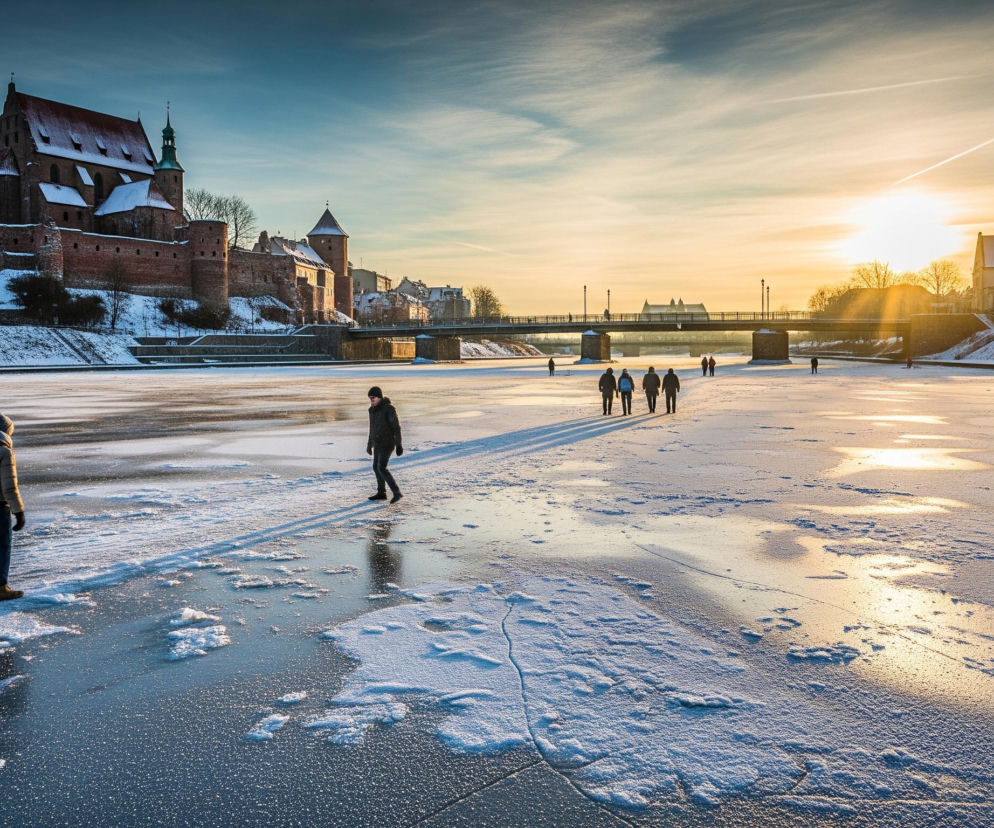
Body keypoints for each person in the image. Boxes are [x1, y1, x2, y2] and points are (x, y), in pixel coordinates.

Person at [0, 414, 26, 601]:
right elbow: (9, 486)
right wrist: (19, 511)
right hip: (0, 507)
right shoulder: (4, 451)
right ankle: (1, 587)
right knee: (2, 545)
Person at [366, 387, 403, 504]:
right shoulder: (372, 410)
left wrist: (398, 445)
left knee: (381, 467)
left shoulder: (388, 409)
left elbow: (396, 427)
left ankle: (397, 492)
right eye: (370, 398)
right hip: (377, 443)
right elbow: (371, 429)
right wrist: (369, 444)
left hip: (387, 443)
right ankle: (381, 493)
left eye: (373, 397)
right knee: (375, 467)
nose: (371, 400)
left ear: (380, 397)